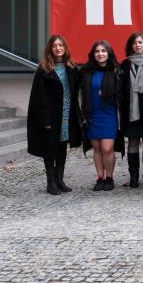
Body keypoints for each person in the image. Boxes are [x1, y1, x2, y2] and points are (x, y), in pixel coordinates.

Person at [26, 35, 82, 195]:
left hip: (66, 114)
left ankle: (60, 180)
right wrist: (44, 119)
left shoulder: (71, 68)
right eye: (55, 46)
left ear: (65, 48)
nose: (58, 48)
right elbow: (37, 96)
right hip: (51, 116)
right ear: (50, 49)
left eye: (60, 45)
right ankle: (51, 183)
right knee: (50, 149)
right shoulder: (44, 69)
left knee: (62, 147)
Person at [80, 40, 123, 191]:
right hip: (92, 113)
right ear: (93, 54)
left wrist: (109, 93)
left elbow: (122, 93)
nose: (100, 54)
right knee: (96, 148)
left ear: (108, 53)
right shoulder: (87, 71)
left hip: (109, 114)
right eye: (97, 51)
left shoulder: (116, 70)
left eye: (103, 51)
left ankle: (110, 177)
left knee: (107, 148)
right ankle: (100, 178)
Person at [119, 32, 143, 188]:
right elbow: (120, 87)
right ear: (131, 46)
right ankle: (134, 176)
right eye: (134, 43)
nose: (137, 45)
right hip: (131, 109)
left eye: (140, 42)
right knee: (133, 141)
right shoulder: (126, 64)